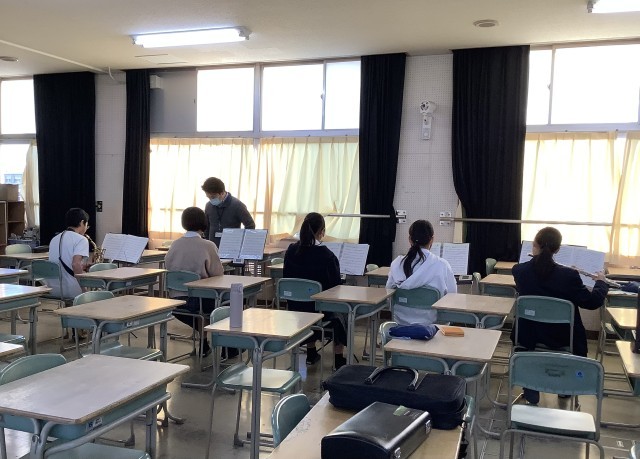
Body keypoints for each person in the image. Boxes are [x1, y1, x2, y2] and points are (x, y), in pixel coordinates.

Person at [511, 226, 609, 404]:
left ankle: (530, 384)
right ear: (557, 250)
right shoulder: (569, 276)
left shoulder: (519, 271)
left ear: (534, 245)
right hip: (563, 336)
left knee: (528, 328)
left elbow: (537, 280)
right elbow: (592, 302)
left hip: (528, 335)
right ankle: (564, 387)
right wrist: (601, 282)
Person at [283, 212, 348, 369]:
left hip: (295, 309)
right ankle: (338, 358)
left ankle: (311, 353)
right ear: (322, 231)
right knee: (342, 312)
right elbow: (335, 287)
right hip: (319, 311)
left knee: (307, 304)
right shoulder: (327, 255)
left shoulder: (291, 250)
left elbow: (287, 277)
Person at [165, 206, 225, 357]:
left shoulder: (175, 244)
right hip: (200, 301)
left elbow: (168, 266)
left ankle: (204, 341)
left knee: (199, 311)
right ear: (203, 223)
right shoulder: (208, 245)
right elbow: (218, 274)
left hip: (175, 301)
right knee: (229, 302)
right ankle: (228, 347)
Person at [386, 220, 457, 325]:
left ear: (410, 239)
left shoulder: (397, 264)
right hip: (432, 329)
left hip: (400, 326)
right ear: (432, 240)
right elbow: (452, 298)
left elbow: (388, 295)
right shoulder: (442, 265)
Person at [47, 208, 90, 300]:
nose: (86, 228)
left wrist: (83, 266)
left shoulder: (54, 239)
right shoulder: (81, 239)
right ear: (82, 222)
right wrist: (84, 289)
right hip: (71, 289)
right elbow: (75, 264)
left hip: (52, 288)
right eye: (86, 225)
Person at [201, 177, 255, 248]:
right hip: (212, 247)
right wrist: (206, 243)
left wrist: (243, 243)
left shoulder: (237, 205)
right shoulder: (208, 206)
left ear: (222, 193)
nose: (211, 200)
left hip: (232, 247)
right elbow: (206, 227)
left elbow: (250, 225)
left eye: (213, 197)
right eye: (208, 197)